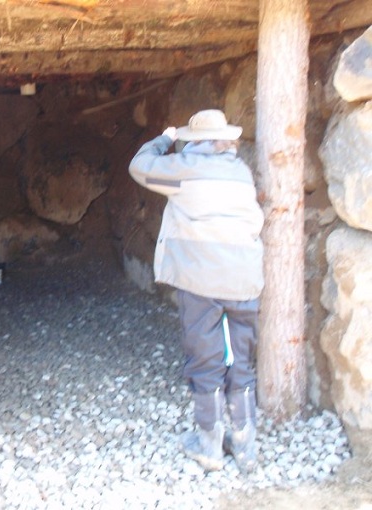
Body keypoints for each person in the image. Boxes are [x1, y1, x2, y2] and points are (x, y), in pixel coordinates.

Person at [128, 109, 264, 472]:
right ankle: (245, 444)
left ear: (195, 141)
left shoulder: (186, 169)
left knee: (206, 358)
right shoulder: (240, 171)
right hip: (245, 277)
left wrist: (166, 139)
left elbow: (140, 166)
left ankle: (208, 444)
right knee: (239, 358)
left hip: (204, 281)